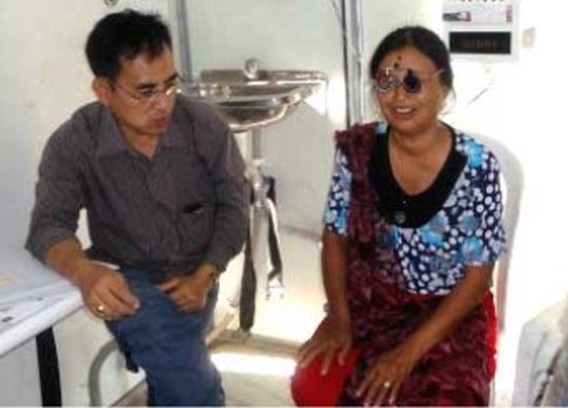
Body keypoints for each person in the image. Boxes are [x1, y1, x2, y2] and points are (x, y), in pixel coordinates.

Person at [25, 9, 248, 406]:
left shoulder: (204, 126)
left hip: (200, 273)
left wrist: (205, 274)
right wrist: (85, 272)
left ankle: (154, 349)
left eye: (170, 85)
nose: (163, 103)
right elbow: (48, 226)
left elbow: (234, 208)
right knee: (194, 385)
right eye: (145, 92)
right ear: (103, 90)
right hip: (130, 281)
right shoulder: (74, 143)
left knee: (177, 371)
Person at [291, 25, 506, 406]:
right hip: (373, 305)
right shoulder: (357, 152)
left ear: (443, 88)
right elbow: (335, 237)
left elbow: (478, 277)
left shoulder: (476, 166)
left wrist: (406, 354)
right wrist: (340, 319)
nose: (398, 96)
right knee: (313, 383)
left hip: (449, 313)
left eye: (413, 82)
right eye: (386, 82)